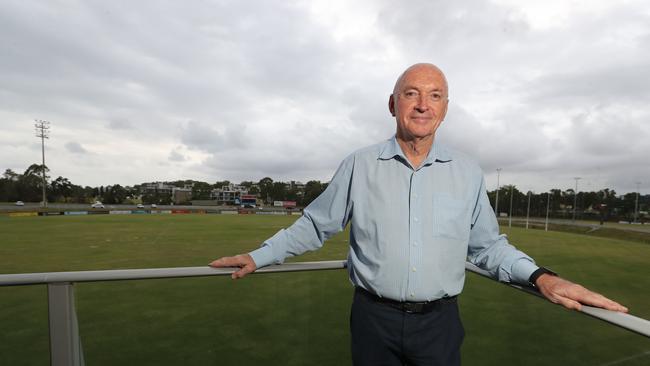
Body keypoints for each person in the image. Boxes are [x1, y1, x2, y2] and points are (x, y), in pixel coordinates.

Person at [209, 63, 628, 366]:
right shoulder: (360, 163)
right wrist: (257, 256)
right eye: (411, 93)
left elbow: (488, 247)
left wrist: (543, 278)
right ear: (393, 104)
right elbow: (317, 224)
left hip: (440, 325)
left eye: (434, 95)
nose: (423, 104)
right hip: (373, 319)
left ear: (445, 108)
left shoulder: (466, 171)